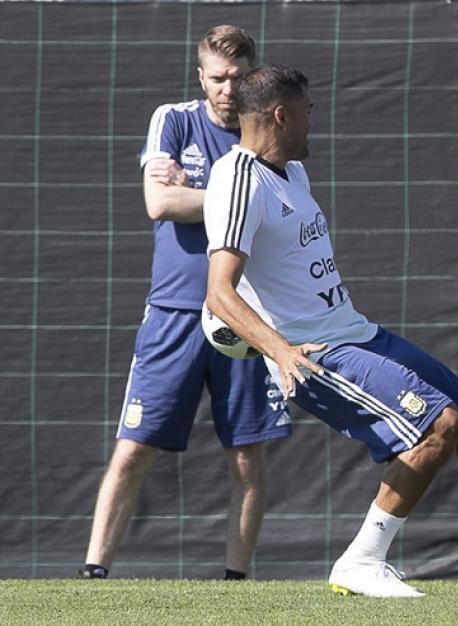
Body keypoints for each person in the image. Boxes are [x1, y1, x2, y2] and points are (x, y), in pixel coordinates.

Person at [202, 63, 458, 598]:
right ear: (280, 115)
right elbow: (219, 293)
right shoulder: (237, 178)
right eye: (307, 111)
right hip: (315, 351)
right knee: (437, 426)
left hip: (355, 331)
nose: (312, 121)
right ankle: (361, 560)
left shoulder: (291, 173)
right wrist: (280, 352)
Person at [80, 26, 289, 581]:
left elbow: (273, 210)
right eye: (217, 78)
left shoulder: (269, 130)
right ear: (201, 77)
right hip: (173, 313)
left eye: (238, 77)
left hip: (244, 318)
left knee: (248, 455)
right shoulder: (173, 119)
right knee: (135, 447)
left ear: (254, 75)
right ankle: (94, 570)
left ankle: (235, 581)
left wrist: (198, 197)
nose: (227, 88)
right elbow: (159, 202)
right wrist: (232, 198)